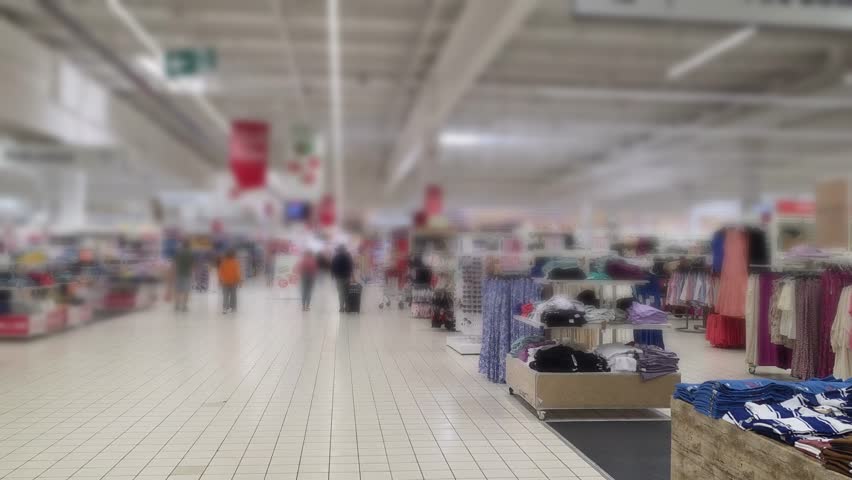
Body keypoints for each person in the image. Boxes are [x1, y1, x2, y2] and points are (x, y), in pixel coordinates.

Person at [172, 240, 195, 312]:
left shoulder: (178, 253)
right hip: (187, 274)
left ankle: (177, 305)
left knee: (177, 290)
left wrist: (173, 273)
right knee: (186, 291)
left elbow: (174, 264)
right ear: (189, 245)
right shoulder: (191, 254)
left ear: (182, 245)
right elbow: (193, 265)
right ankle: (184, 306)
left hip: (178, 273)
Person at [330, 245, 354, 312]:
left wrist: (332, 276)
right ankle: (347, 308)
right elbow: (351, 267)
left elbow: (332, 267)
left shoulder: (335, 257)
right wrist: (352, 277)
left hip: (339, 278)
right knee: (346, 293)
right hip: (346, 277)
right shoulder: (348, 257)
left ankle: (341, 308)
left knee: (340, 293)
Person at [218, 249, 242, 314]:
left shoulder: (223, 262)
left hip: (225, 281)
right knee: (233, 295)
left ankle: (225, 308)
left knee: (225, 295)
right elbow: (237, 273)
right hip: (233, 282)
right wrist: (240, 281)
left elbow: (220, 272)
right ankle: (233, 308)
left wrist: (220, 280)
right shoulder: (235, 262)